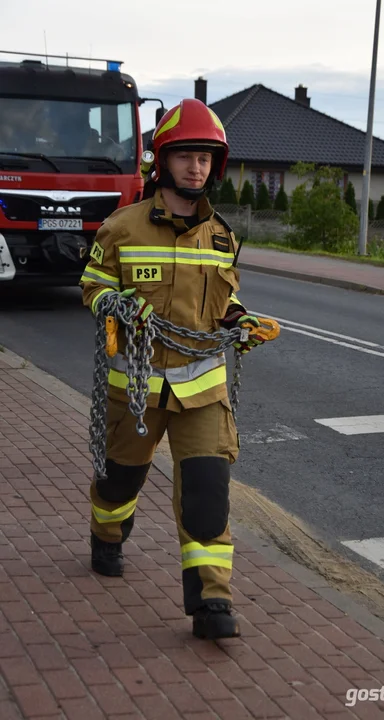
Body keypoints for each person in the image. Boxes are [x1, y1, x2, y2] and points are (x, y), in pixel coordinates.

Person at [80, 98, 268, 640]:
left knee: (208, 492)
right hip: (133, 391)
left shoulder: (222, 238)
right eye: (186, 156)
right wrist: (115, 302)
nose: (197, 168)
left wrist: (240, 321)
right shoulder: (121, 228)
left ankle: (212, 601)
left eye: (206, 158)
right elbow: (92, 285)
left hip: (203, 390)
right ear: (162, 160)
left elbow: (223, 301)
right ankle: (107, 534)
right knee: (119, 482)